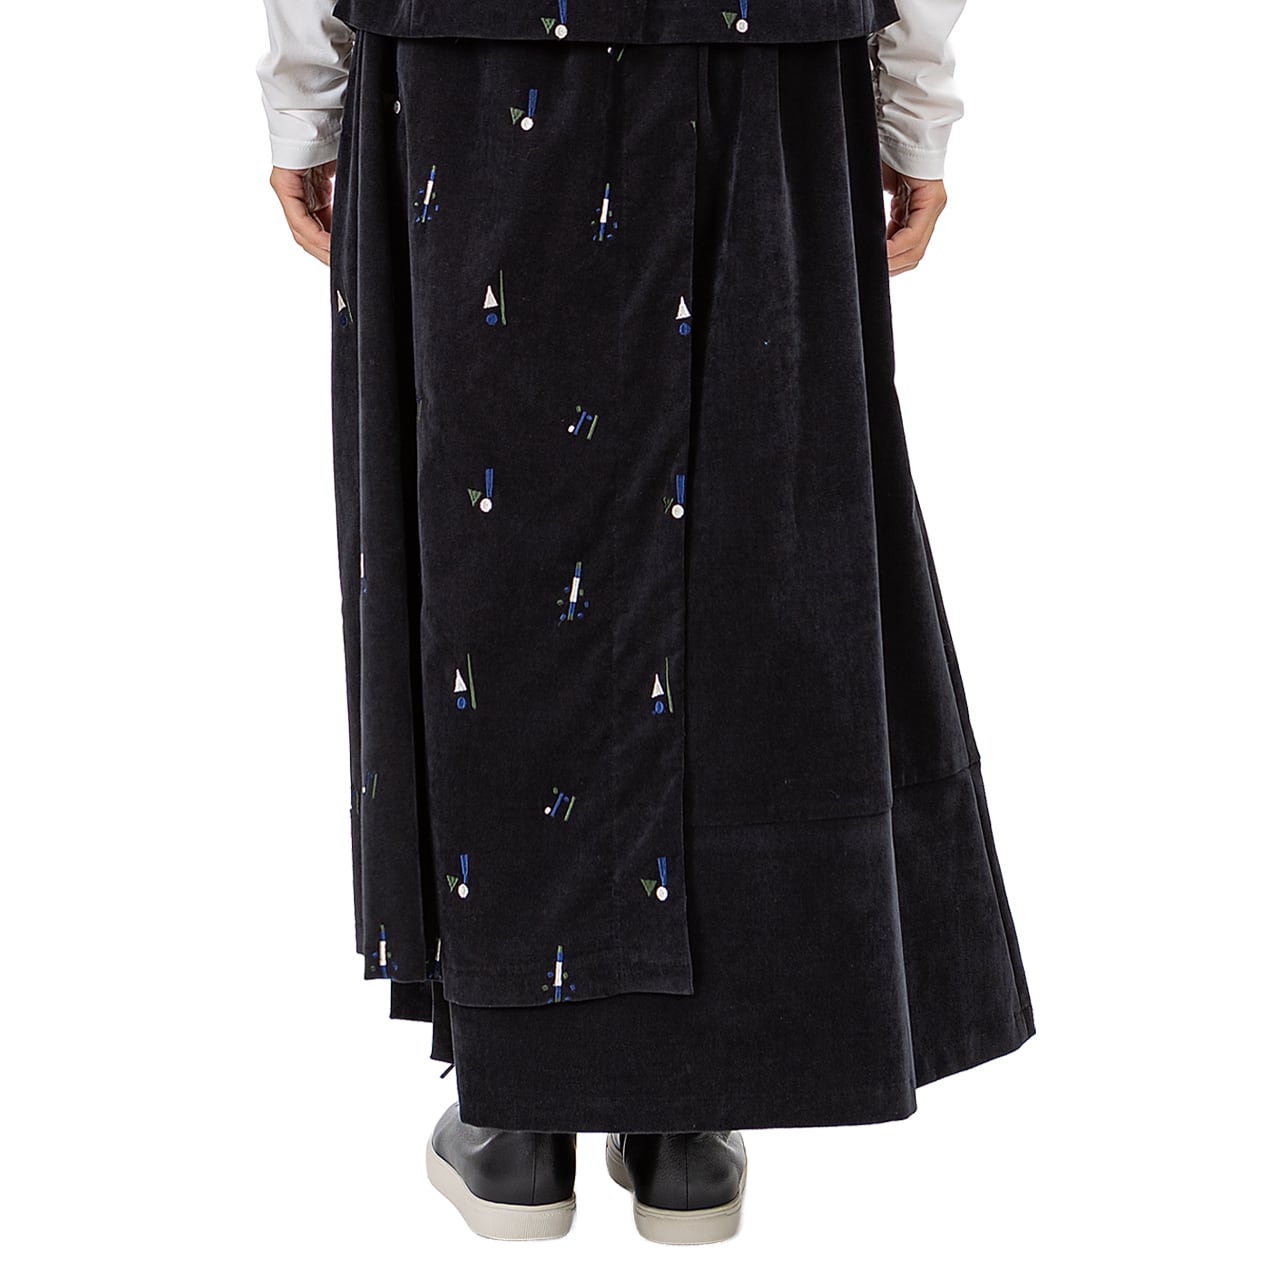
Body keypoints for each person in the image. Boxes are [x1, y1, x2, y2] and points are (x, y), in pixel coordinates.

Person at [257, 0, 1035, 1246]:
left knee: (492, 546)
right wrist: (912, 106)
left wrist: (308, 93)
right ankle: (685, 1116)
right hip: (760, 53)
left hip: (473, 55)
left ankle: (522, 1112)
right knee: (749, 535)